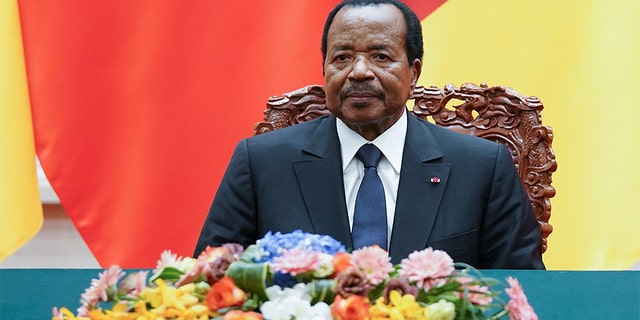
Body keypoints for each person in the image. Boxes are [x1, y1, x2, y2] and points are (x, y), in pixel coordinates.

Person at [194, 0, 544, 269]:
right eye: (342, 57)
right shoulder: (261, 163)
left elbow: (523, 293)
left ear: (413, 71)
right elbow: (209, 282)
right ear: (324, 68)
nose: (359, 72)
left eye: (380, 56)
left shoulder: (482, 167)